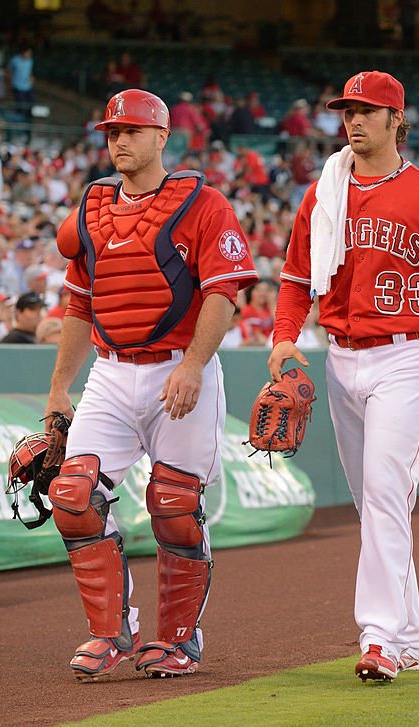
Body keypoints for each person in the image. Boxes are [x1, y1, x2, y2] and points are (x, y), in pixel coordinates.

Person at [268, 70, 419, 682]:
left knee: (385, 492)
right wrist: (284, 335)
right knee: (377, 505)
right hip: (341, 355)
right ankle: (410, 635)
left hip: (410, 354)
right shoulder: (324, 193)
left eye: (367, 110)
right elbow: (293, 277)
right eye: (347, 110)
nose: (354, 120)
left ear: (398, 119)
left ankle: (379, 638)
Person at [43, 88, 258, 681]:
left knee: (174, 505)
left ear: (162, 136)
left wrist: (192, 365)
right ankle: (111, 633)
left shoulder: (204, 203)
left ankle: (180, 642)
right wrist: (60, 390)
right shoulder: (89, 209)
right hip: (110, 372)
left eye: (131, 131)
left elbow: (222, 293)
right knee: (74, 497)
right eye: (112, 132)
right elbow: (78, 303)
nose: (119, 141)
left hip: (177, 369)